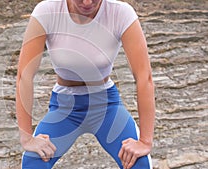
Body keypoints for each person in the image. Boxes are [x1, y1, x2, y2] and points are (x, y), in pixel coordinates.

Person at [16, 0, 155, 168]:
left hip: (106, 105)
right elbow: (25, 75)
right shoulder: (47, 11)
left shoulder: (121, 13)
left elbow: (143, 76)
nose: (87, 2)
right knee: (33, 162)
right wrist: (27, 138)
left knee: (138, 163)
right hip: (64, 106)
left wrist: (145, 142)